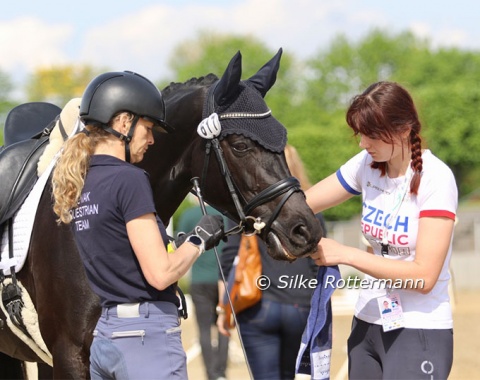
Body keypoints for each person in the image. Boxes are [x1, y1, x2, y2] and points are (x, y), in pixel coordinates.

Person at [51, 71, 225, 380]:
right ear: (122, 122)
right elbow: (160, 275)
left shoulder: (80, 181)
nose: (152, 139)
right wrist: (199, 239)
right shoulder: (129, 179)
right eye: (147, 127)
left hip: (106, 336)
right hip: (145, 338)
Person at [306, 81, 457, 379]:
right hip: (367, 324)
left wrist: (345, 254)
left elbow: (424, 278)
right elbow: (304, 204)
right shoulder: (367, 163)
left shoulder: (436, 178)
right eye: (360, 133)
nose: (363, 143)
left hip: (419, 329)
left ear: (403, 129)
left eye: (371, 134)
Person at [217, 144, 327, 380]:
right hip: (301, 304)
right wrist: (323, 315)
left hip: (258, 303)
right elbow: (320, 265)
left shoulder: (248, 209)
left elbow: (230, 259)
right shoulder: (312, 209)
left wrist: (224, 306)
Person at [177, 201, 229, 380]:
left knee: (204, 329)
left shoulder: (189, 215)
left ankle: (211, 374)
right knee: (224, 326)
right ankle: (221, 372)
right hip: (223, 279)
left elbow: (179, 245)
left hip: (199, 280)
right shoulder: (224, 214)